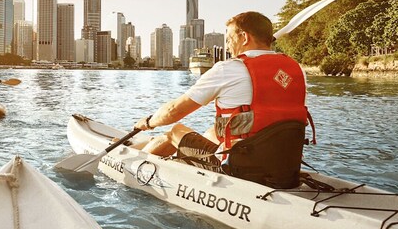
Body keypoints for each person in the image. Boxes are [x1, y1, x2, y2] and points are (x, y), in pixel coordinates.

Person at [133, 11, 313, 188]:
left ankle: (131, 166)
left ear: (244, 37)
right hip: (285, 166)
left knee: (174, 131)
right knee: (211, 132)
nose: (227, 46)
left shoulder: (229, 69)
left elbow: (173, 111)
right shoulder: (296, 70)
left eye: (229, 39)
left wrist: (148, 123)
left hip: (243, 169)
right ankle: (177, 158)